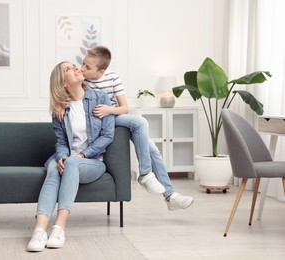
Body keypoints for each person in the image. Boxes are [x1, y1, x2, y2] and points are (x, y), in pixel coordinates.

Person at [80, 45, 193, 211]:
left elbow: (124, 108)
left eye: (87, 67)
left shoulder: (112, 78)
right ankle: (146, 174)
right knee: (141, 124)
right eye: (83, 63)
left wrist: (109, 109)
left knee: (152, 148)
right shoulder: (82, 80)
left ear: (101, 71)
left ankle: (169, 195)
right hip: (98, 123)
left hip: (114, 116)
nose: (82, 68)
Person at [26, 61, 115, 252]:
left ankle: (59, 228)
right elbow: (61, 142)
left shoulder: (100, 98)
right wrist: (62, 156)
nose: (76, 68)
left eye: (74, 65)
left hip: (93, 162)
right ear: (63, 83)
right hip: (69, 159)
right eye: (68, 69)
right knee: (53, 167)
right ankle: (39, 230)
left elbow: (107, 136)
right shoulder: (60, 108)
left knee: (73, 162)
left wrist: (82, 154)